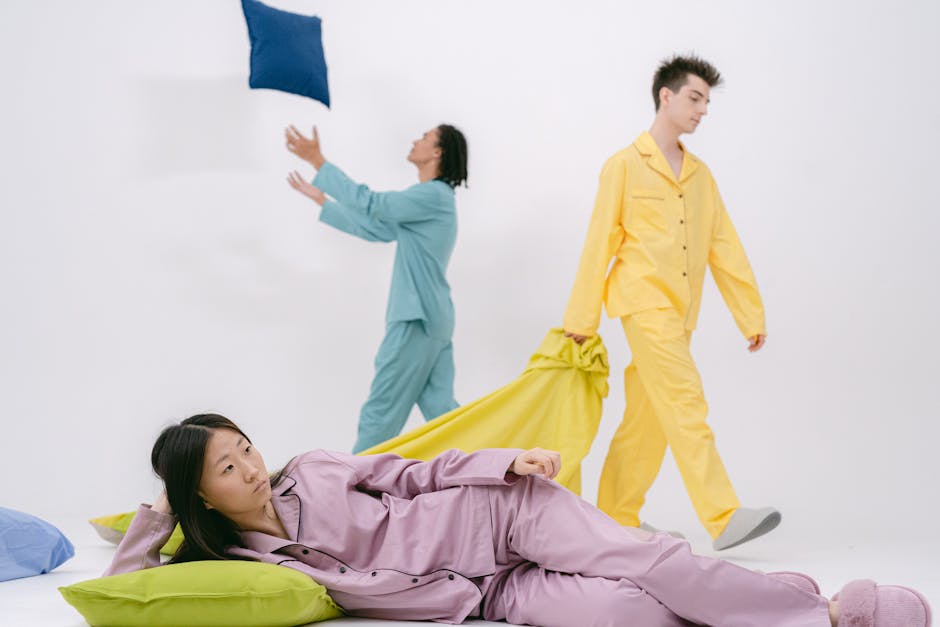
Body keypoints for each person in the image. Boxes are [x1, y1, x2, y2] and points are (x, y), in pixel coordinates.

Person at [106, 414, 931, 627]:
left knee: (646, 562)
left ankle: (820, 614)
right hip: (489, 595)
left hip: (501, 515)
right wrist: (154, 519)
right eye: (226, 465)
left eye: (245, 446)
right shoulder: (247, 563)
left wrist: (506, 463)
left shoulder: (315, 468)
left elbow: (413, 470)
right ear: (201, 495)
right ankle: (766, 595)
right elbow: (126, 591)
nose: (250, 465)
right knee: (622, 614)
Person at [563, 54, 777, 550]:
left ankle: (616, 519)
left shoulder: (701, 176)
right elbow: (600, 242)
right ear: (666, 95)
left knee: (650, 418)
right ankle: (723, 517)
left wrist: (750, 315)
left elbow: (725, 246)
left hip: (682, 315)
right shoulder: (623, 166)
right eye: (695, 98)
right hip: (642, 304)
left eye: (706, 102)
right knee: (685, 402)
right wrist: (582, 317)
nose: (703, 110)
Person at [283, 123, 468, 453]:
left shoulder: (434, 195)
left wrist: (319, 162)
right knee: (445, 415)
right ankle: (496, 469)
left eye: (424, 137)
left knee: (380, 415)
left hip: (416, 319)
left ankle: (351, 488)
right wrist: (323, 202)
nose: (415, 139)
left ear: (438, 152)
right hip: (433, 320)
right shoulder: (431, 202)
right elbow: (377, 229)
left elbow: (373, 204)